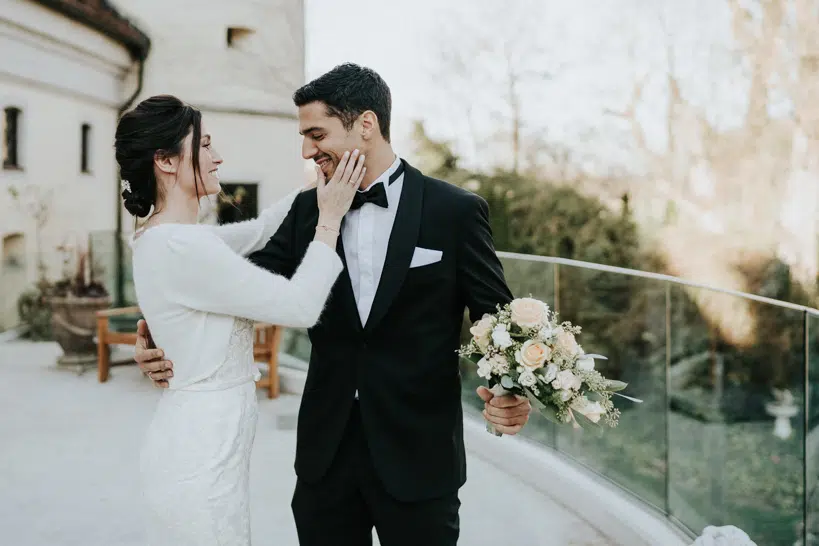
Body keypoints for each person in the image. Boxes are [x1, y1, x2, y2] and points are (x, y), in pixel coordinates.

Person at [135, 65, 531, 546]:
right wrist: (160, 336)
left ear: (366, 125)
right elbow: (225, 287)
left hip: (420, 459)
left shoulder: (455, 211)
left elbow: (498, 320)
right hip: (326, 461)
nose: (306, 150)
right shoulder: (307, 211)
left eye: (316, 134)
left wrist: (509, 389)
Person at [117, 94, 366, 545]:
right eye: (205, 144)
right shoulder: (183, 247)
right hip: (200, 452)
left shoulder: (168, 238)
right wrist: (329, 219)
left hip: (206, 441)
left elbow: (260, 228)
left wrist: (320, 182)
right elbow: (299, 306)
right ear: (166, 161)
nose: (217, 157)